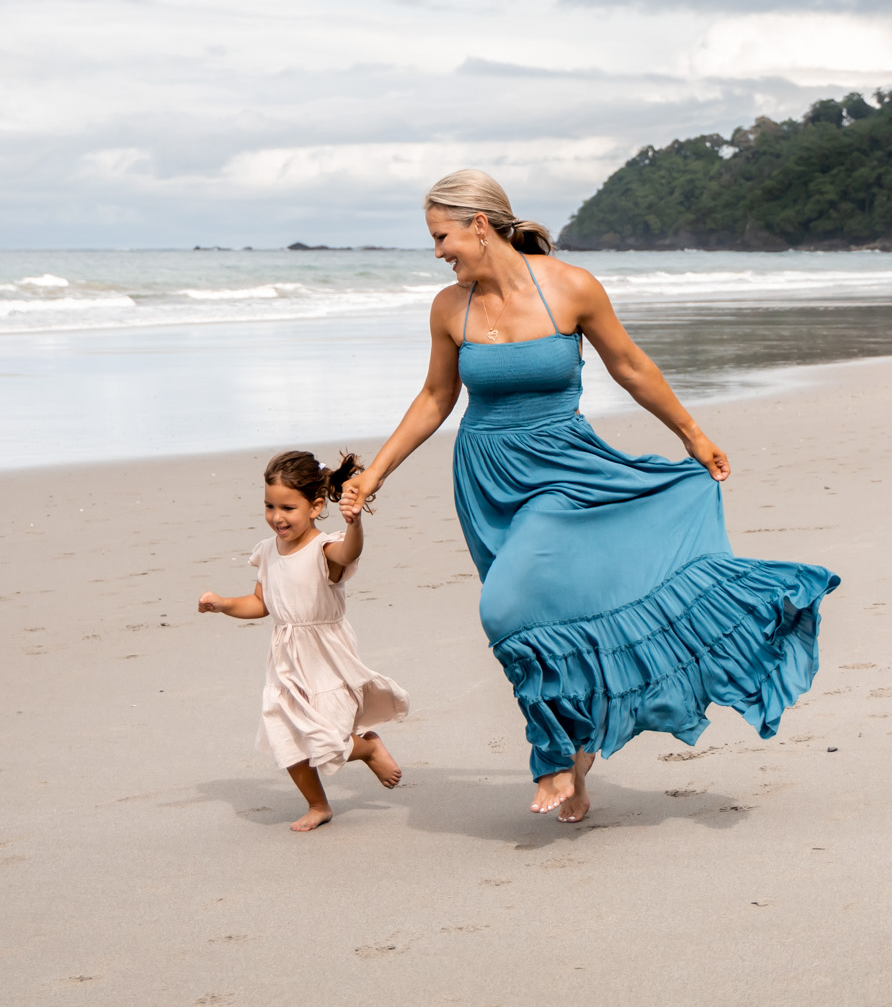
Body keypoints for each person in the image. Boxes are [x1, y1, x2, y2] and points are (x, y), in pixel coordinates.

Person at [340, 170, 837, 823]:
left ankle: (549, 753)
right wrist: (375, 473)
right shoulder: (449, 307)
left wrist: (692, 434)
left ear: (480, 224)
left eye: (442, 236)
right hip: (487, 480)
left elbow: (629, 364)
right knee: (553, 619)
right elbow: (436, 398)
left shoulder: (571, 288)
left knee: (506, 607)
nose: (438, 251)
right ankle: (579, 757)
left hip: (565, 470)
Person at [199, 450, 408, 832]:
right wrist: (225, 604)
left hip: (324, 656)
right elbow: (261, 603)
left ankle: (368, 747)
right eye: (269, 506)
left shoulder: (324, 548)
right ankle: (318, 804)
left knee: (328, 736)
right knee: (284, 735)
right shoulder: (267, 551)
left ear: (314, 507)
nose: (277, 516)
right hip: (284, 660)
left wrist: (355, 524)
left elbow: (350, 552)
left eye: (287, 508)